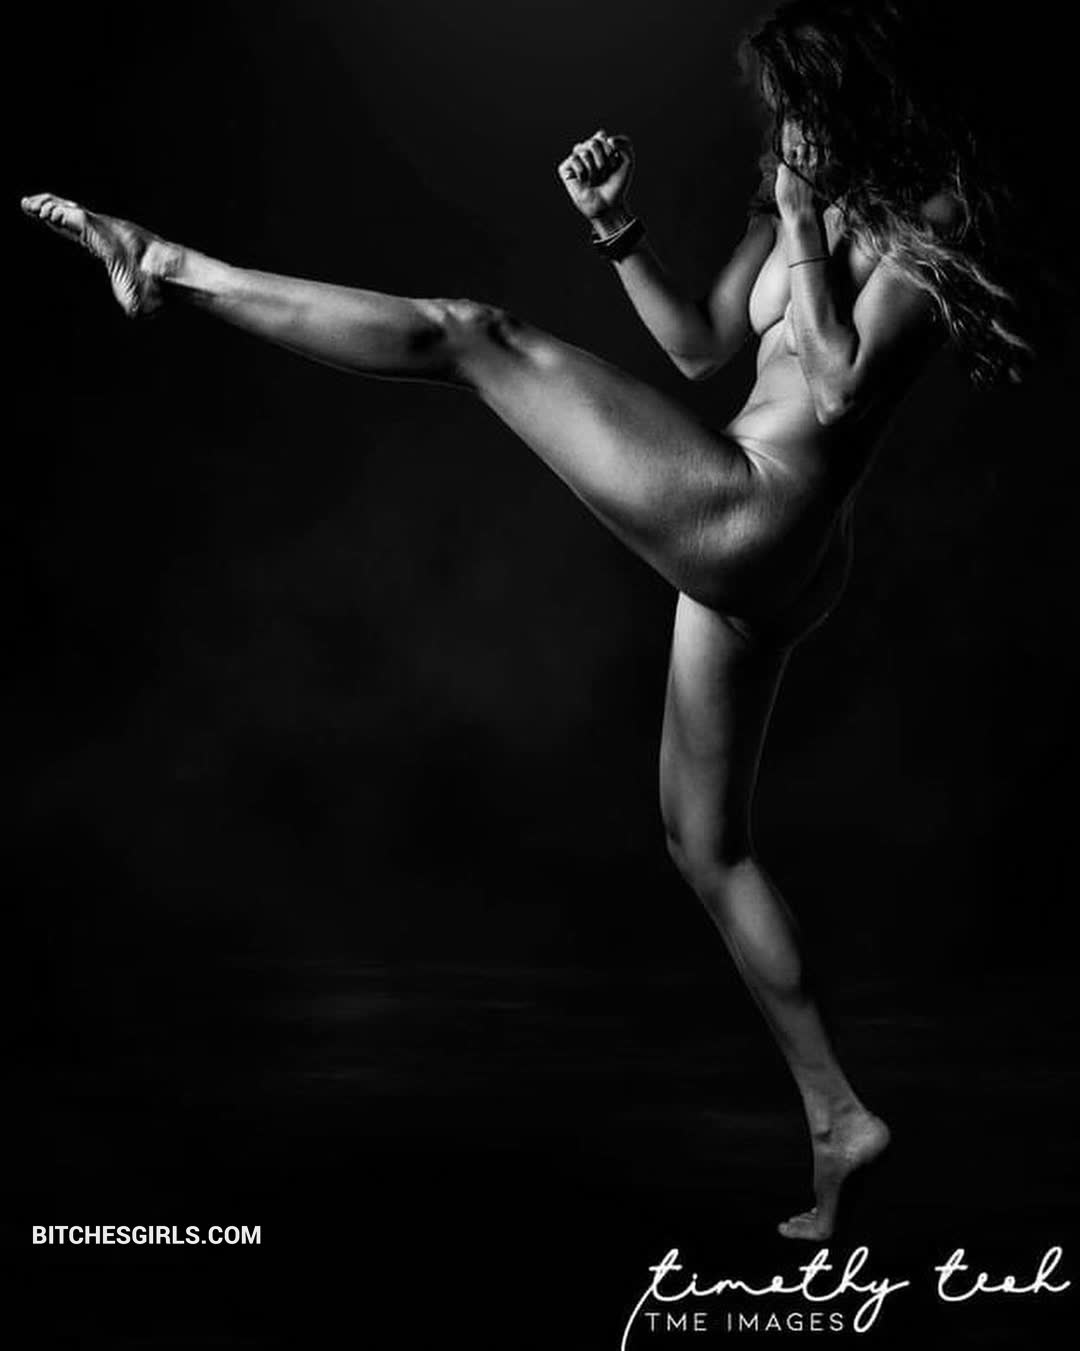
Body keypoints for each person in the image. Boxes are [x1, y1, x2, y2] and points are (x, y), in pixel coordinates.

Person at [19, 0, 1031, 1241]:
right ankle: (838, 1119)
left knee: (471, 336)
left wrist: (810, 222)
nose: (782, 129)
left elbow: (836, 385)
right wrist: (618, 228)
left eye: (797, 105)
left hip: (755, 516)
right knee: (703, 842)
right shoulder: (788, 202)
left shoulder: (927, 225)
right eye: (778, 112)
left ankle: (167, 265)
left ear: (849, 98)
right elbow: (702, 347)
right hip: (757, 531)